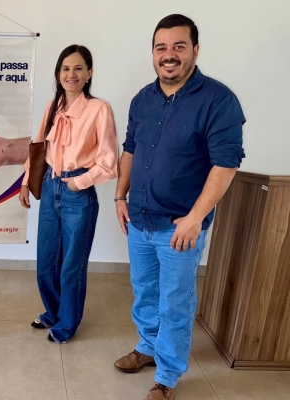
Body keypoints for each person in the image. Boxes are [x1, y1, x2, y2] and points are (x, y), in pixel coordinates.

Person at [113, 14, 245, 400]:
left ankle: (167, 376)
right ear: (153, 53)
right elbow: (130, 149)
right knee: (145, 292)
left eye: (178, 46)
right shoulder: (142, 99)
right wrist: (120, 196)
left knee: (175, 302)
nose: (169, 55)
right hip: (139, 219)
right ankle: (147, 348)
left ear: (195, 50)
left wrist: (196, 217)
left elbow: (226, 164)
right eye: (161, 48)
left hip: (179, 227)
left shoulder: (218, 100)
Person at [19, 44, 119, 344]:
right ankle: (52, 312)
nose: (71, 74)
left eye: (78, 68)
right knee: (46, 260)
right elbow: (38, 148)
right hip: (50, 186)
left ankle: (67, 324)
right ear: (58, 74)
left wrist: (80, 182)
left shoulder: (99, 109)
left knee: (72, 265)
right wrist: (26, 181)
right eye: (65, 68)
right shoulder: (53, 107)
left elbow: (109, 162)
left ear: (89, 73)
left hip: (78, 193)